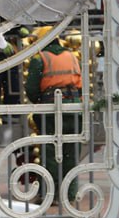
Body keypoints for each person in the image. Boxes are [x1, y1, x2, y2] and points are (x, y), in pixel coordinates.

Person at [24, 29, 83, 204]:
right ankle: (69, 194)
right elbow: (81, 84)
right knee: (71, 151)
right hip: (73, 108)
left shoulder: (40, 59)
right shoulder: (72, 56)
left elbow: (32, 89)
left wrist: (40, 101)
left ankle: (49, 194)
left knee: (50, 151)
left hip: (51, 110)